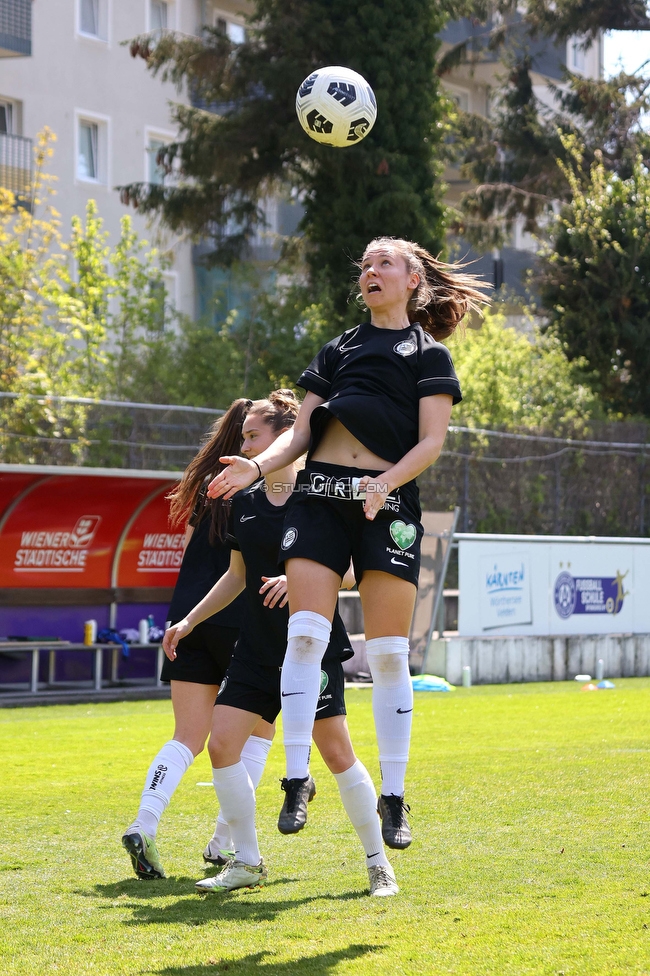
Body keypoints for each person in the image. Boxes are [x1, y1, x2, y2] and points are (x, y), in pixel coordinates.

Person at [208, 238, 489, 850]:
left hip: (387, 501)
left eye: (384, 262)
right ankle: (296, 777)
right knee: (305, 635)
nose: (370, 271)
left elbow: (431, 442)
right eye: (364, 264)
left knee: (388, 653)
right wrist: (255, 470)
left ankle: (393, 794)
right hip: (321, 498)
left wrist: (386, 481)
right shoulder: (339, 348)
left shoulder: (429, 354)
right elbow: (301, 432)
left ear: (413, 279)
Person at [164, 389, 399, 897]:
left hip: (309, 648)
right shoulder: (244, 503)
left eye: (254, 436)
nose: (246, 444)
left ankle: (378, 862)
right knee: (222, 745)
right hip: (255, 649)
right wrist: (188, 621)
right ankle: (246, 861)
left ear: (286, 438)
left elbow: (359, 569)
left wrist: (310, 580)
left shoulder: (320, 499)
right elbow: (235, 576)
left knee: (337, 755)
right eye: (245, 436)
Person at [122, 398, 276, 880]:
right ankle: (225, 841)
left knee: (186, 736)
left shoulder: (210, 486)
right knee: (258, 733)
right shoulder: (264, 488)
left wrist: (186, 618)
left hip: (187, 616)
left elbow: (190, 553)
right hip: (238, 618)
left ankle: (144, 822)